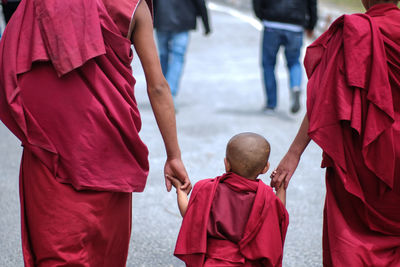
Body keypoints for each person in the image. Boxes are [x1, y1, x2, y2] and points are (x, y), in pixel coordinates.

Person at [0, 0, 191, 266]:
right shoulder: (133, 6)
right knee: (104, 251)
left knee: (55, 251)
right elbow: (157, 86)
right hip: (109, 144)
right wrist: (174, 156)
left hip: (53, 146)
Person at [271, 1, 400, 266]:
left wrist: (293, 154)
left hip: (361, 153)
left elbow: (325, 99)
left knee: (351, 235)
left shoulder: (354, 32)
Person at [168, 132, 288, 266]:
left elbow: (189, 215)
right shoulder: (267, 197)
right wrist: (281, 188)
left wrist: (181, 191)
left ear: (226, 164)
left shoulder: (207, 189)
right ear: (265, 168)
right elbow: (278, 216)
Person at [252, 0, 317, 114]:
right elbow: (312, 3)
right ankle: (295, 86)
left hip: (272, 23)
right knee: (294, 62)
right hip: (295, 26)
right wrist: (311, 25)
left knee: (268, 64)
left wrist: (262, 16)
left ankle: (271, 105)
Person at [153, 0, 211, 105]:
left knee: (163, 55)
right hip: (184, 18)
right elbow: (200, 2)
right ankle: (170, 93)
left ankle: (162, 90)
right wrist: (206, 24)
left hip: (161, 17)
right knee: (177, 57)